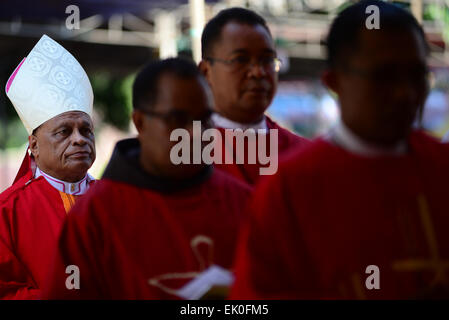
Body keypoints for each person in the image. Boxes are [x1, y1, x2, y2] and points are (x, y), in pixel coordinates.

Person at [231, 0, 449, 299]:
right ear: (334, 81)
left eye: (416, 75)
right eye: (384, 76)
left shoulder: (441, 167)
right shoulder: (290, 190)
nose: (404, 93)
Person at [43, 58, 252, 299]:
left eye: (204, 120)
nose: (196, 134)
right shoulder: (94, 217)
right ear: (140, 122)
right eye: (178, 120)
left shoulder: (244, 202)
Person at [0, 35, 96, 299]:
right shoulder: (7, 212)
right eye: (64, 131)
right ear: (34, 145)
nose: (79, 139)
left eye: (86, 130)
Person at [199, 7, 309, 185]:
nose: (258, 72)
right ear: (206, 72)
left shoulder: (303, 154)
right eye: (240, 60)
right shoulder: (183, 153)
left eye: (266, 60)